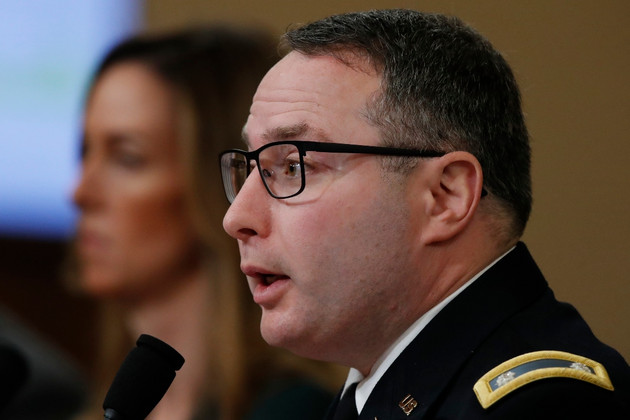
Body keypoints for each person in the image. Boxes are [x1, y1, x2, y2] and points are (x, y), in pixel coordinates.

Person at [219, 9, 630, 419]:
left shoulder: (545, 406)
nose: (237, 217)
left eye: (294, 166)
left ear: (445, 196)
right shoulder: (371, 396)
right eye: (251, 168)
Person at [71, 26, 342, 420]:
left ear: (223, 182)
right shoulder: (95, 403)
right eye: (85, 152)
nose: (80, 192)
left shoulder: (293, 411)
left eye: (126, 158)